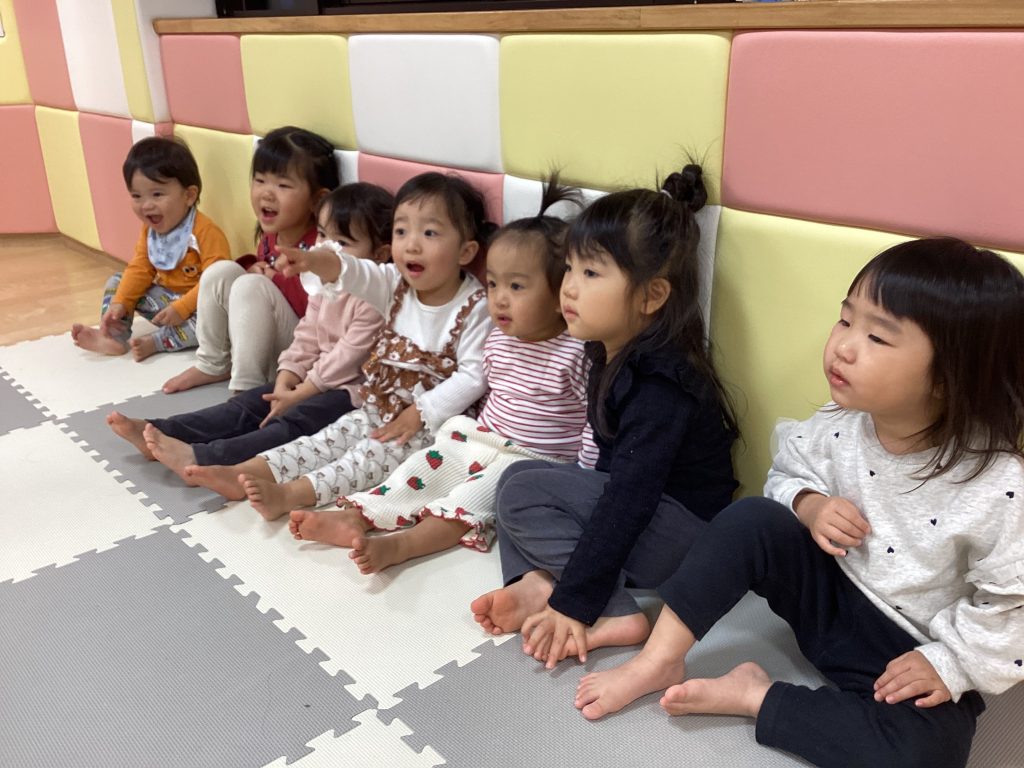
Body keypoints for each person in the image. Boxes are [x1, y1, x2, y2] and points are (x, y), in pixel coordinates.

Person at [573, 237, 1024, 768]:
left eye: (877, 336)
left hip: (904, 652)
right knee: (750, 519)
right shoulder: (839, 426)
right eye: (845, 320)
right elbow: (787, 475)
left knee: (930, 753)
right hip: (827, 595)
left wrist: (949, 664)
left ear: (949, 377)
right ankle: (659, 659)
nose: (843, 347)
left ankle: (755, 695)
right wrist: (809, 505)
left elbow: (1011, 606)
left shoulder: (999, 486)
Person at [471, 165, 739, 666]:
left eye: (590, 274)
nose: (568, 288)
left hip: (680, 536)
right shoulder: (605, 351)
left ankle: (615, 611)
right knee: (516, 478)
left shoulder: (660, 384)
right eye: (569, 269)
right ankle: (536, 584)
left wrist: (578, 602)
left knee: (524, 492)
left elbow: (629, 500)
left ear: (651, 296)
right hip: (652, 520)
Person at [287, 179, 591, 573]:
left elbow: (593, 423)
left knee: (470, 498)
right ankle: (358, 515)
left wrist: (585, 476)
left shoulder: (576, 353)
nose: (498, 298)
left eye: (516, 286)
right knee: (420, 467)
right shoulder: (498, 341)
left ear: (560, 295)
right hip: (481, 439)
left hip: (532, 460)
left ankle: (404, 545)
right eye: (493, 283)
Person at [184, 172, 494, 522]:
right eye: (401, 231)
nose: (411, 245)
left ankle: (290, 494)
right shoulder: (395, 283)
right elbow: (355, 271)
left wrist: (421, 411)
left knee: (365, 458)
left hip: (429, 427)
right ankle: (246, 471)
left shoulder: (475, 307)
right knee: (324, 440)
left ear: (466, 251)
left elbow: (474, 376)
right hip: (379, 405)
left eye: (430, 233)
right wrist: (313, 261)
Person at [106, 183, 393, 486]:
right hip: (315, 379)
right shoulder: (325, 284)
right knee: (248, 404)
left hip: (353, 393)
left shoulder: (375, 300)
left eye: (343, 242)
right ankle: (165, 430)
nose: (326, 248)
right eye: (322, 235)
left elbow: (347, 358)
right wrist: (287, 376)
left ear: (380, 254)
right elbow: (307, 336)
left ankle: (205, 457)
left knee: (293, 422)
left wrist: (300, 392)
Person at [162, 126, 339, 395]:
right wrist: (253, 268)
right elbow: (262, 282)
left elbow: (319, 312)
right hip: (268, 343)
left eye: (283, 185)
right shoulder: (273, 234)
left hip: (303, 356)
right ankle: (213, 362)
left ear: (318, 200)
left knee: (251, 286)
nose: (267, 193)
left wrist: (272, 280)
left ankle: (247, 388)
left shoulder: (320, 247)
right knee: (220, 271)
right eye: (260, 180)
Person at [71, 136, 230, 360]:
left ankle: (158, 341)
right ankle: (113, 335)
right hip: (167, 306)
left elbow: (215, 285)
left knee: (213, 326)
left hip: (200, 308)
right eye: (136, 196)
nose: (146, 205)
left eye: (157, 194)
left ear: (189, 195)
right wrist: (121, 303)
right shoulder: (150, 231)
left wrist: (182, 308)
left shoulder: (205, 232)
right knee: (118, 282)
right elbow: (140, 269)